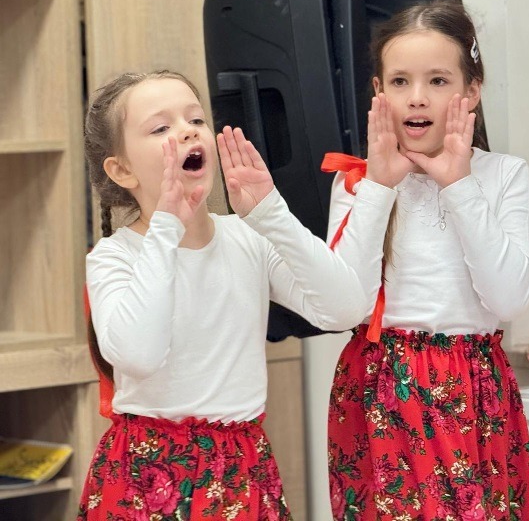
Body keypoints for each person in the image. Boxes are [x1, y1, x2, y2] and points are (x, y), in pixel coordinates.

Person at [77, 70, 366, 520]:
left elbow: (345, 308)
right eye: (161, 127)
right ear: (122, 170)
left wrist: (270, 213)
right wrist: (166, 228)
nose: (187, 131)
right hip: (146, 473)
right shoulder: (114, 258)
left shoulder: (247, 237)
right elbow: (139, 354)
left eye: (195, 119)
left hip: (242, 469)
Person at [322, 0, 529, 520]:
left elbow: (510, 299)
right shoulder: (356, 181)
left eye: (438, 80)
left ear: (472, 91)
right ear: (379, 92)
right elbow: (342, 303)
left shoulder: (503, 174)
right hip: (380, 388)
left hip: (472, 389)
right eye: (400, 81)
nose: (417, 97)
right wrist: (379, 188)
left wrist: (459, 185)